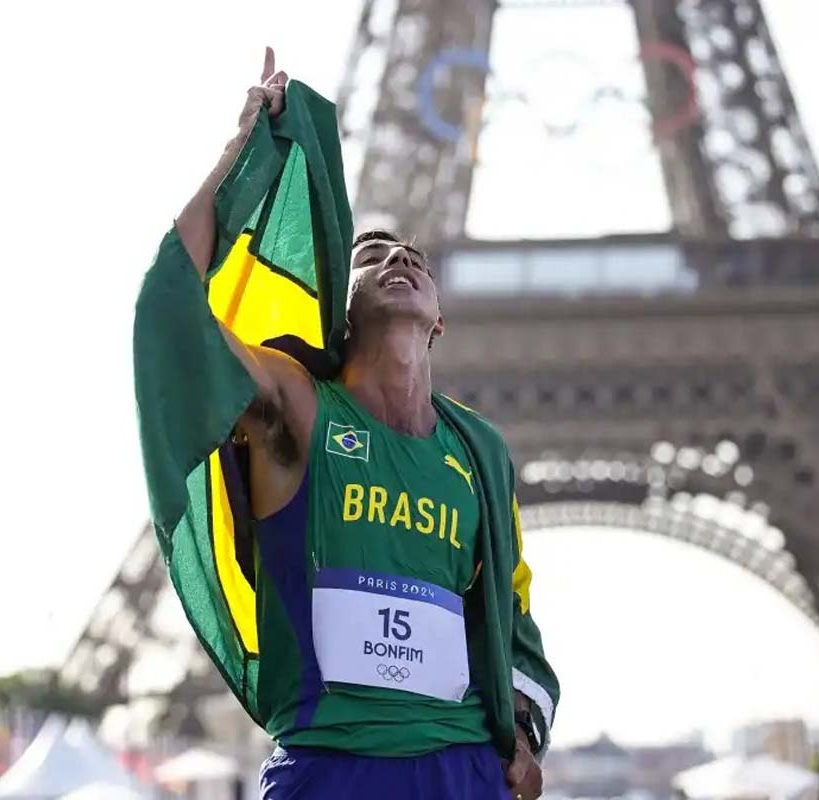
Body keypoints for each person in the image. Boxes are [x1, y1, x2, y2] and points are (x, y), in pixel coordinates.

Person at [171, 48, 559, 799]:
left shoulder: (478, 453)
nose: (399, 259)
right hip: (332, 764)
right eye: (372, 254)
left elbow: (508, 607)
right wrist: (240, 154)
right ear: (338, 307)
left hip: (460, 768)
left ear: (439, 320)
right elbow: (183, 312)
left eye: (415, 258)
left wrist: (518, 729)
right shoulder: (297, 408)